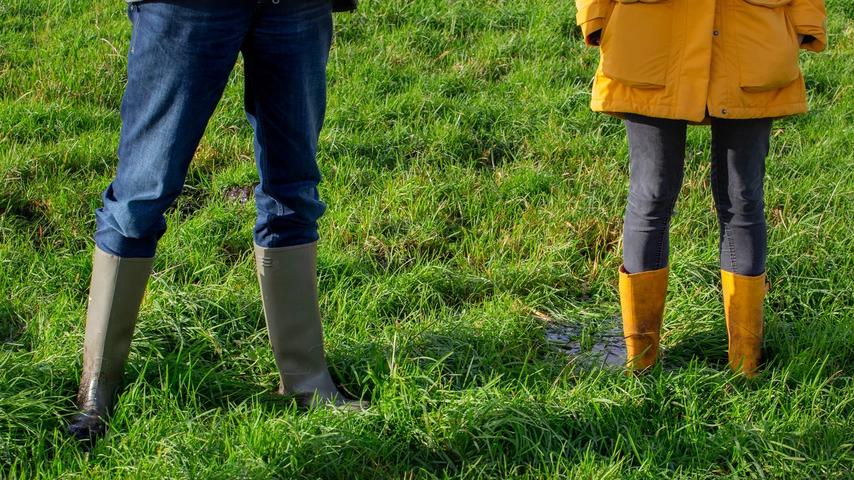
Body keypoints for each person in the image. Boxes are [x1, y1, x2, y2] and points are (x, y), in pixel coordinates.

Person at [69, 0, 364, 444]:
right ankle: (97, 390)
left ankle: (306, 380)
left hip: (296, 7)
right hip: (184, 7)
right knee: (141, 197)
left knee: (293, 192)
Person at [574, 0, 826, 375]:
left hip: (752, 37)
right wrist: (595, 16)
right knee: (652, 193)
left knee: (743, 197)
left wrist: (806, 23)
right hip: (648, 38)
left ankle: (746, 366)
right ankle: (640, 363)